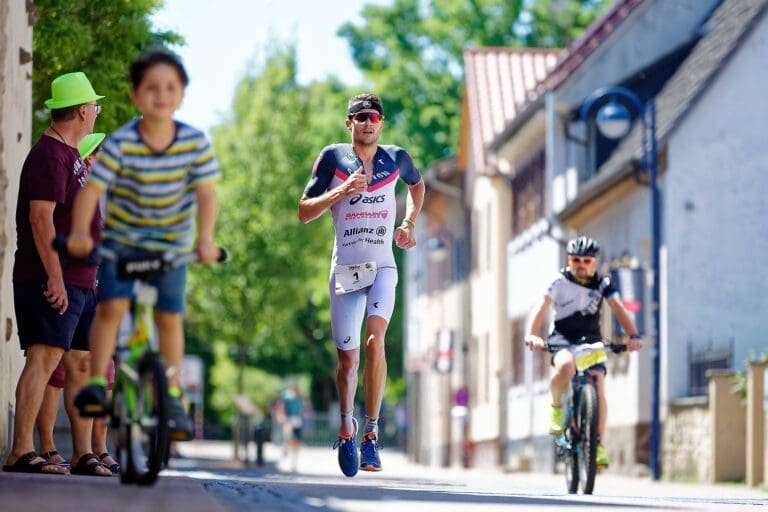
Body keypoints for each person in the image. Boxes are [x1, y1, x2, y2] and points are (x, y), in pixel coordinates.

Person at [66, 50, 221, 442]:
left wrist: (204, 240)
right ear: (135, 95)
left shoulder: (193, 142)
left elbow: (206, 195)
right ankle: (98, 384)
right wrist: (82, 232)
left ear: (182, 95)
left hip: (170, 246)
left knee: (169, 317)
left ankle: (171, 395)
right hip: (124, 244)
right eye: (151, 88)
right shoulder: (121, 144)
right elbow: (91, 191)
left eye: (170, 87)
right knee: (112, 308)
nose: (161, 95)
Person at [298, 93, 425, 477]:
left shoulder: (396, 157)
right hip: (346, 271)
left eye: (374, 117)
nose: (368, 122)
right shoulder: (334, 158)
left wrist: (408, 222)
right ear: (348, 122)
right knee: (347, 361)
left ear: (381, 123)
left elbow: (417, 186)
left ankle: (371, 433)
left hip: (383, 266)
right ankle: (346, 425)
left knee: (375, 341)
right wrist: (341, 191)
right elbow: (304, 212)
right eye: (360, 117)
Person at [3, 72, 111, 476]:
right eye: (94, 108)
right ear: (82, 111)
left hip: (81, 281)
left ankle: (84, 453)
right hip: (52, 277)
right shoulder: (49, 154)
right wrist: (54, 277)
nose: (96, 114)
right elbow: (40, 219)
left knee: (81, 364)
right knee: (44, 358)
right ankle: (20, 451)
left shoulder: (69, 154)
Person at [35, 133, 120, 474]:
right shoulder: (74, 188)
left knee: (99, 372)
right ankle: (49, 447)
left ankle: (94, 449)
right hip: (68, 284)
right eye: (101, 156)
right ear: (89, 159)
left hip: (93, 290)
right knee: (54, 372)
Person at [524, 236, 643, 468]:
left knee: (598, 386)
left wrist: (634, 335)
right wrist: (531, 334)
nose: (581, 264)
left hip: (590, 340)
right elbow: (541, 306)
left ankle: (597, 444)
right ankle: (557, 407)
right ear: (569, 260)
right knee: (566, 367)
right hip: (562, 338)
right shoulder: (559, 282)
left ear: (594, 262)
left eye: (586, 260)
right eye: (576, 259)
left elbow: (618, 308)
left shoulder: (603, 284)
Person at [279, 384, 305, 472]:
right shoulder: (287, 399)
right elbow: (282, 409)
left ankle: (294, 464)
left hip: (297, 422)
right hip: (289, 421)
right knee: (290, 441)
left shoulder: (300, 399)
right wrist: (283, 418)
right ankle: (285, 447)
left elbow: (303, 410)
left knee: (297, 444)